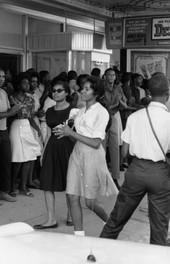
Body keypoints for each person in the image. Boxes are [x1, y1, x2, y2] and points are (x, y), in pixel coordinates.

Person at [100, 72, 170, 246]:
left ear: (148, 92)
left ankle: (98, 254)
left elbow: (124, 153)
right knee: (159, 228)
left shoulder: (134, 117)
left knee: (116, 220)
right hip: (160, 173)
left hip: (136, 171)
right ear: (167, 92)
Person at [54, 76, 118, 236]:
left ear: (96, 93)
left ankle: (110, 225)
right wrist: (65, 132)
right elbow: (76, 135)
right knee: (72, 196)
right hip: (77, 153)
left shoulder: (102, 113)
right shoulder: (80, 111)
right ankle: (79, 237)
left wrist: (70, 133)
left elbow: (96, 142)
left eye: (87, 89)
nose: (82, 91)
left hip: (92, 156)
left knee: (90, 202)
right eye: (82, 88)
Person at [34, 79, 75, 229]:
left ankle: (72, 215)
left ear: (66, 92)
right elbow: (48, 134)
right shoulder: (50, 110)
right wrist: (43, 152)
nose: (55, 93)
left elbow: (77, 133)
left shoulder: (73, 111)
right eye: (54, 91)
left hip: (68, 147)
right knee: (47, 182)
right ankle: (51, 219)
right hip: (51, 146)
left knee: (70, 182)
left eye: (59, 90)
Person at [9, 72, 41, 197]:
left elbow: (31, 117)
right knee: (17, 158)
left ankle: (23, 187)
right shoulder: (11, 98)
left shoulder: (30, 99)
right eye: (24, 83)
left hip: (27, 126)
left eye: (28, 83)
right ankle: (12, 186)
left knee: (28, 157)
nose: (27, 85)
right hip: (16, 126)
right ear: (18, 84)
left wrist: (37, 130)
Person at [102, 68, 127, 189]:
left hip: (114, 118)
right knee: (101, 150)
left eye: (113, 75)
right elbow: (102, 106)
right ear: (105, 76)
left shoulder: (118, 88)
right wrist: (115, 104)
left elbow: (125, 104)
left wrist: (119, 103)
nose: (112, 77)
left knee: (115, 148)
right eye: (109, 75)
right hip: (102, 119)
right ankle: (101, 178)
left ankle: (115, 178)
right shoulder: (101, 88)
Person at [0, 68, 21, 202]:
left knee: (5, 162)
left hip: (4, 130)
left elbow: (7, 110)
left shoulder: (3, 92)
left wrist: (15, 109)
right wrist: (10, 113)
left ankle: (3, 192)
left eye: (2, 76)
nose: (1, 78)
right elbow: (7, 113)